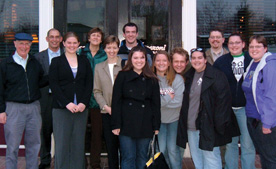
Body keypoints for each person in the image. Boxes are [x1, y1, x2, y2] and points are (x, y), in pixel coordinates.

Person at [177, 48, 238, 169]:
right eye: (193, 58)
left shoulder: (217, 76)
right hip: (191, 125)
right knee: (197, 157)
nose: (196, 60)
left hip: (209, 125)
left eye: (200, 57)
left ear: (205, 60)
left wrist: (219, 125)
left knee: (211, 158)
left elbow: (223, 102)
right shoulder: (188, 76)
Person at [0, 33, 47, 169]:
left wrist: (56, 76)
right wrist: (1, 110)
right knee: (13, 146)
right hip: (14, 108)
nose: (24, 46)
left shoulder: (34, 62)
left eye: (27, 44)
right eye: (21, 43)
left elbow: (40, 81)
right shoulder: (6, 64)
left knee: (34, 145)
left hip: (33, 107)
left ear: (30, 45)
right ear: (15, 44)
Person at [111, 46, 160, 169]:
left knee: (142, 156)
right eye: (136, 58)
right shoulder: (122, 76)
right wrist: (116, 124)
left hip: (146, 123)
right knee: (128, 157)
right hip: (126, 122)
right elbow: (116, 101)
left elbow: (156, 104)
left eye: (142, 57)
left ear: (146, 59)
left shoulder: (152, 79)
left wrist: (156, 125)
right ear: (130, 59)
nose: (139, 61)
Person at [49, 32, 92, 169]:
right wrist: (67, 103)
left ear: (79, 44)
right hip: (62, 109)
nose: (72, 45)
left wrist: (83, 103)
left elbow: (89, 84)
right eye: (69, 43)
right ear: (64, 43)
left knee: (78, 144)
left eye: (75, 43)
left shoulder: (84, 61)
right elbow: (54, 85)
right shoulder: (56, 62)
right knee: (61, 144)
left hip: (80, 109)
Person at [213, 33, 256, 169]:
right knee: (230, 144)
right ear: (227, 45)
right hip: (228, 110)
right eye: (231, 43)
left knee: (247, 144)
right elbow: (215, 85)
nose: (234, 45)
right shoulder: (221, 62)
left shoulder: (252, 60)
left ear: (243, 45)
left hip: (246, 109)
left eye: (237, 43)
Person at [243, 35, 276, 169]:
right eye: (252, 46)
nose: (254, 49)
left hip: (265, 121)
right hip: (253, 118)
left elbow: (272, 96)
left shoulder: (270, 65)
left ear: (265, 48)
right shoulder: (253, 63)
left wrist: (267, 123)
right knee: (263, 154)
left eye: (258, 46)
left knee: (270, 158)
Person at [34, 28, 63, 169]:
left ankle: (60, 160)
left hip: (62, 98)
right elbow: (36, 80)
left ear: (61, 39)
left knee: (61, 131)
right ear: (47, 39)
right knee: (45, 130)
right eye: (51, 37)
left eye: (57, 37)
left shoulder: (68, 55)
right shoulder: (38, 57)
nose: (54, 39)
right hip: (45, 98)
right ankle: (45, 160)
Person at [79, 27, 107, 169]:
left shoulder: (105, 54)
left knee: (97, 134)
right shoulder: (80, 52)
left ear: (101, 39)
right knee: (81, 134)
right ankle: (81, 162)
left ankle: (95, 163)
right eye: (93, 35)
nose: (95, 38)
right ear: (88, 38)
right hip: (81, 99)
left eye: (98, 36)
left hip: (98, 100)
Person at [93, 35, 121, 169]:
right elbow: (97, 91)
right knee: (111, 147)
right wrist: (106, 107)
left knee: (125, 147)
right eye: (109, 47)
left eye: (114, 47)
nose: (111, 50)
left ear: (118, 48)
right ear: (104, 48)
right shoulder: (99, 67)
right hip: (107, 112)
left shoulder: (126, 65)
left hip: (124, 113)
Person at [152, 50, 184, 169]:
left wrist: (159, 101)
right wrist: (168, 97)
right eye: (158, 60)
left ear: (169, 63)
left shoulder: (177, 79)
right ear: (154, 63)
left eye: (164, 60)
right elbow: (150, 103)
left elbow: (178, 102)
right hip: (158, 121)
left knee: (173, 150)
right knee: (161, 150)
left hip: (174, 120)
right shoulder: (151, 79)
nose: (161, 63)